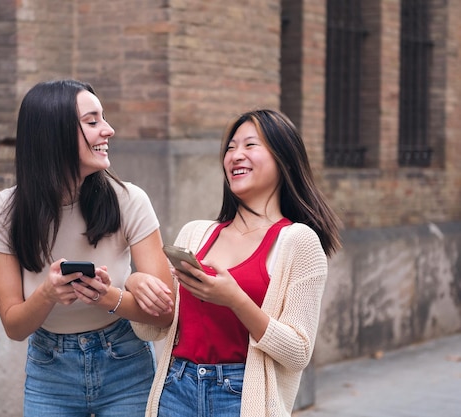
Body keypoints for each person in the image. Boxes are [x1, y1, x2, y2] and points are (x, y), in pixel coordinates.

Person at [0, 79, 175, 417]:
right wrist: (48, 294)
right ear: (55, 135)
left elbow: (165, 314)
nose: (108, 130)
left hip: (125, 360)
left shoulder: (130, 201)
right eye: (93, 121)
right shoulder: (0, 213)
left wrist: (107, 295)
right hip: (49, 369)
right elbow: (14, 327)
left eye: (104, 119)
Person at [129, 109, 342, 417]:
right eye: (230, 148)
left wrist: (235, 300)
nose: (235, 155)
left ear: (284, 159)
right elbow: (154, 331)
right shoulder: (195, 233)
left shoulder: (299, 242)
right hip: (177, 389)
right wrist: (136, 284)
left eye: (250, 145)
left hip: (241, 398)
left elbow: (298, 353)